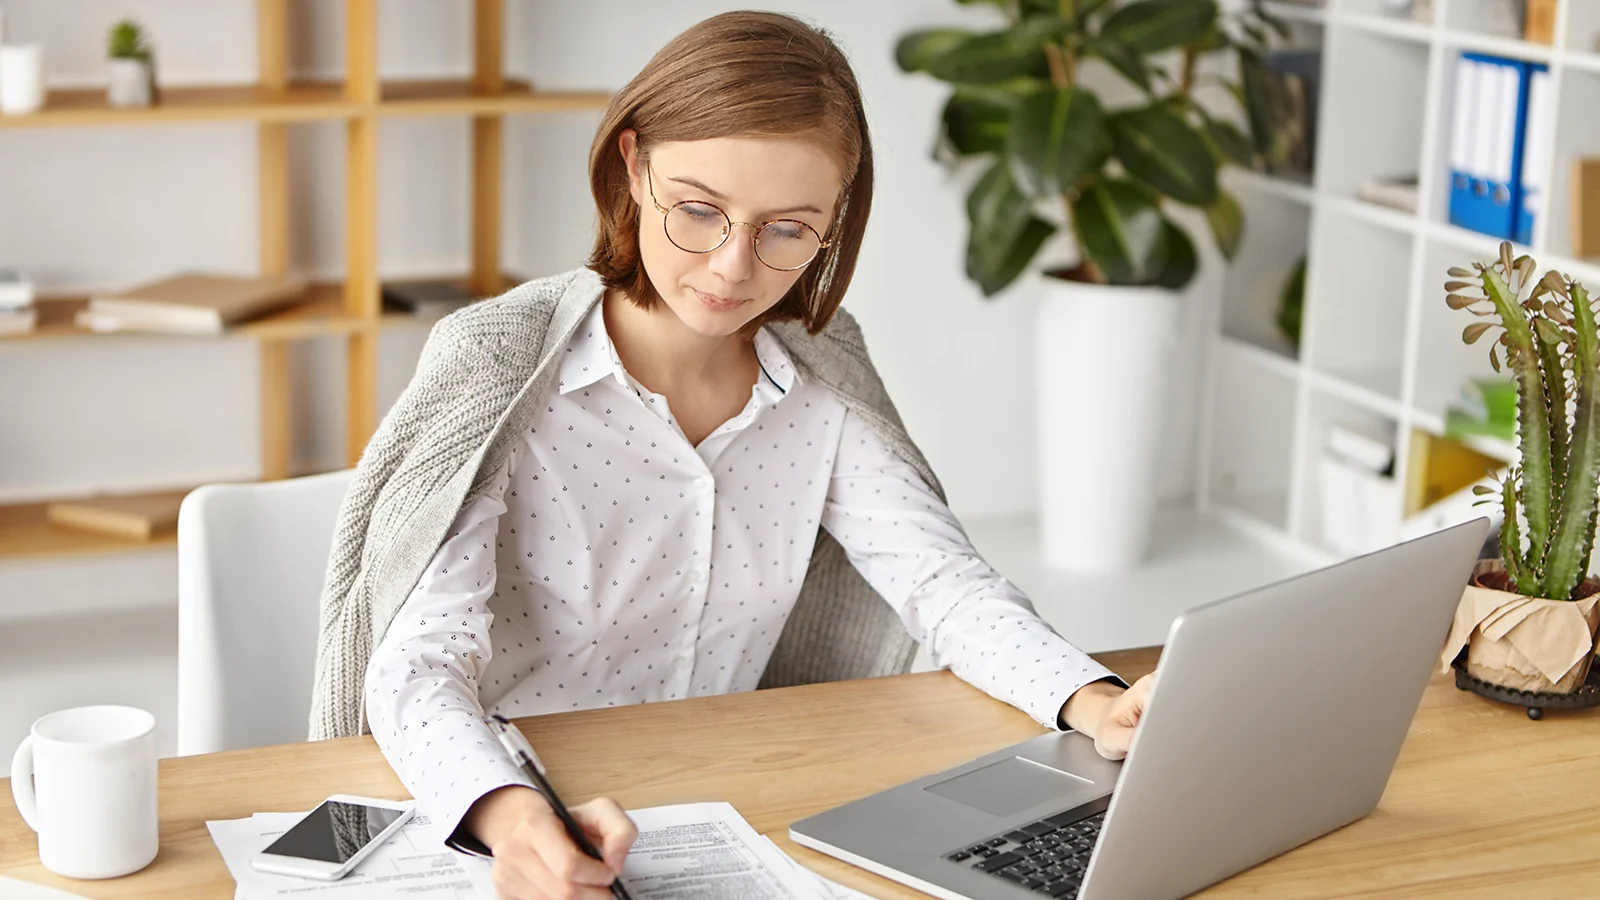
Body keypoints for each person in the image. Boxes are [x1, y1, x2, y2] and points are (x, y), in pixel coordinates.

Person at [310, 11, 1155, 900]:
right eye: (699, 210)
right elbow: (416, 666)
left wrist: (1094, 702)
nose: (732, 267)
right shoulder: (504, 373)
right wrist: (514, 820)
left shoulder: (822, 383)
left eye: (787, 229)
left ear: (836, 223)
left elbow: (945, 588)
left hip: (730, 806)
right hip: (510, 820)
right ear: (633, 166)